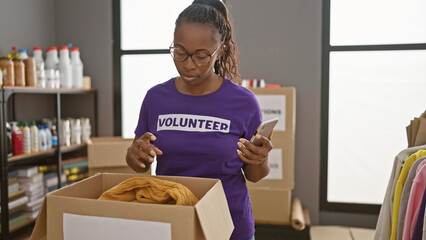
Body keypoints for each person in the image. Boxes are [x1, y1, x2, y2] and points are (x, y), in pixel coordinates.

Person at [126, 1, 273, 239]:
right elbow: (140, 163)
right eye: (180, 52)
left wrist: (261, 159)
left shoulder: (244, 102)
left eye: (202, 56)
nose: (188, 64)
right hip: (171, 222)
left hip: (228, 226)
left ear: (221, 51)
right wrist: (133, 154)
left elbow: (254, 175)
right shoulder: (156, 98)